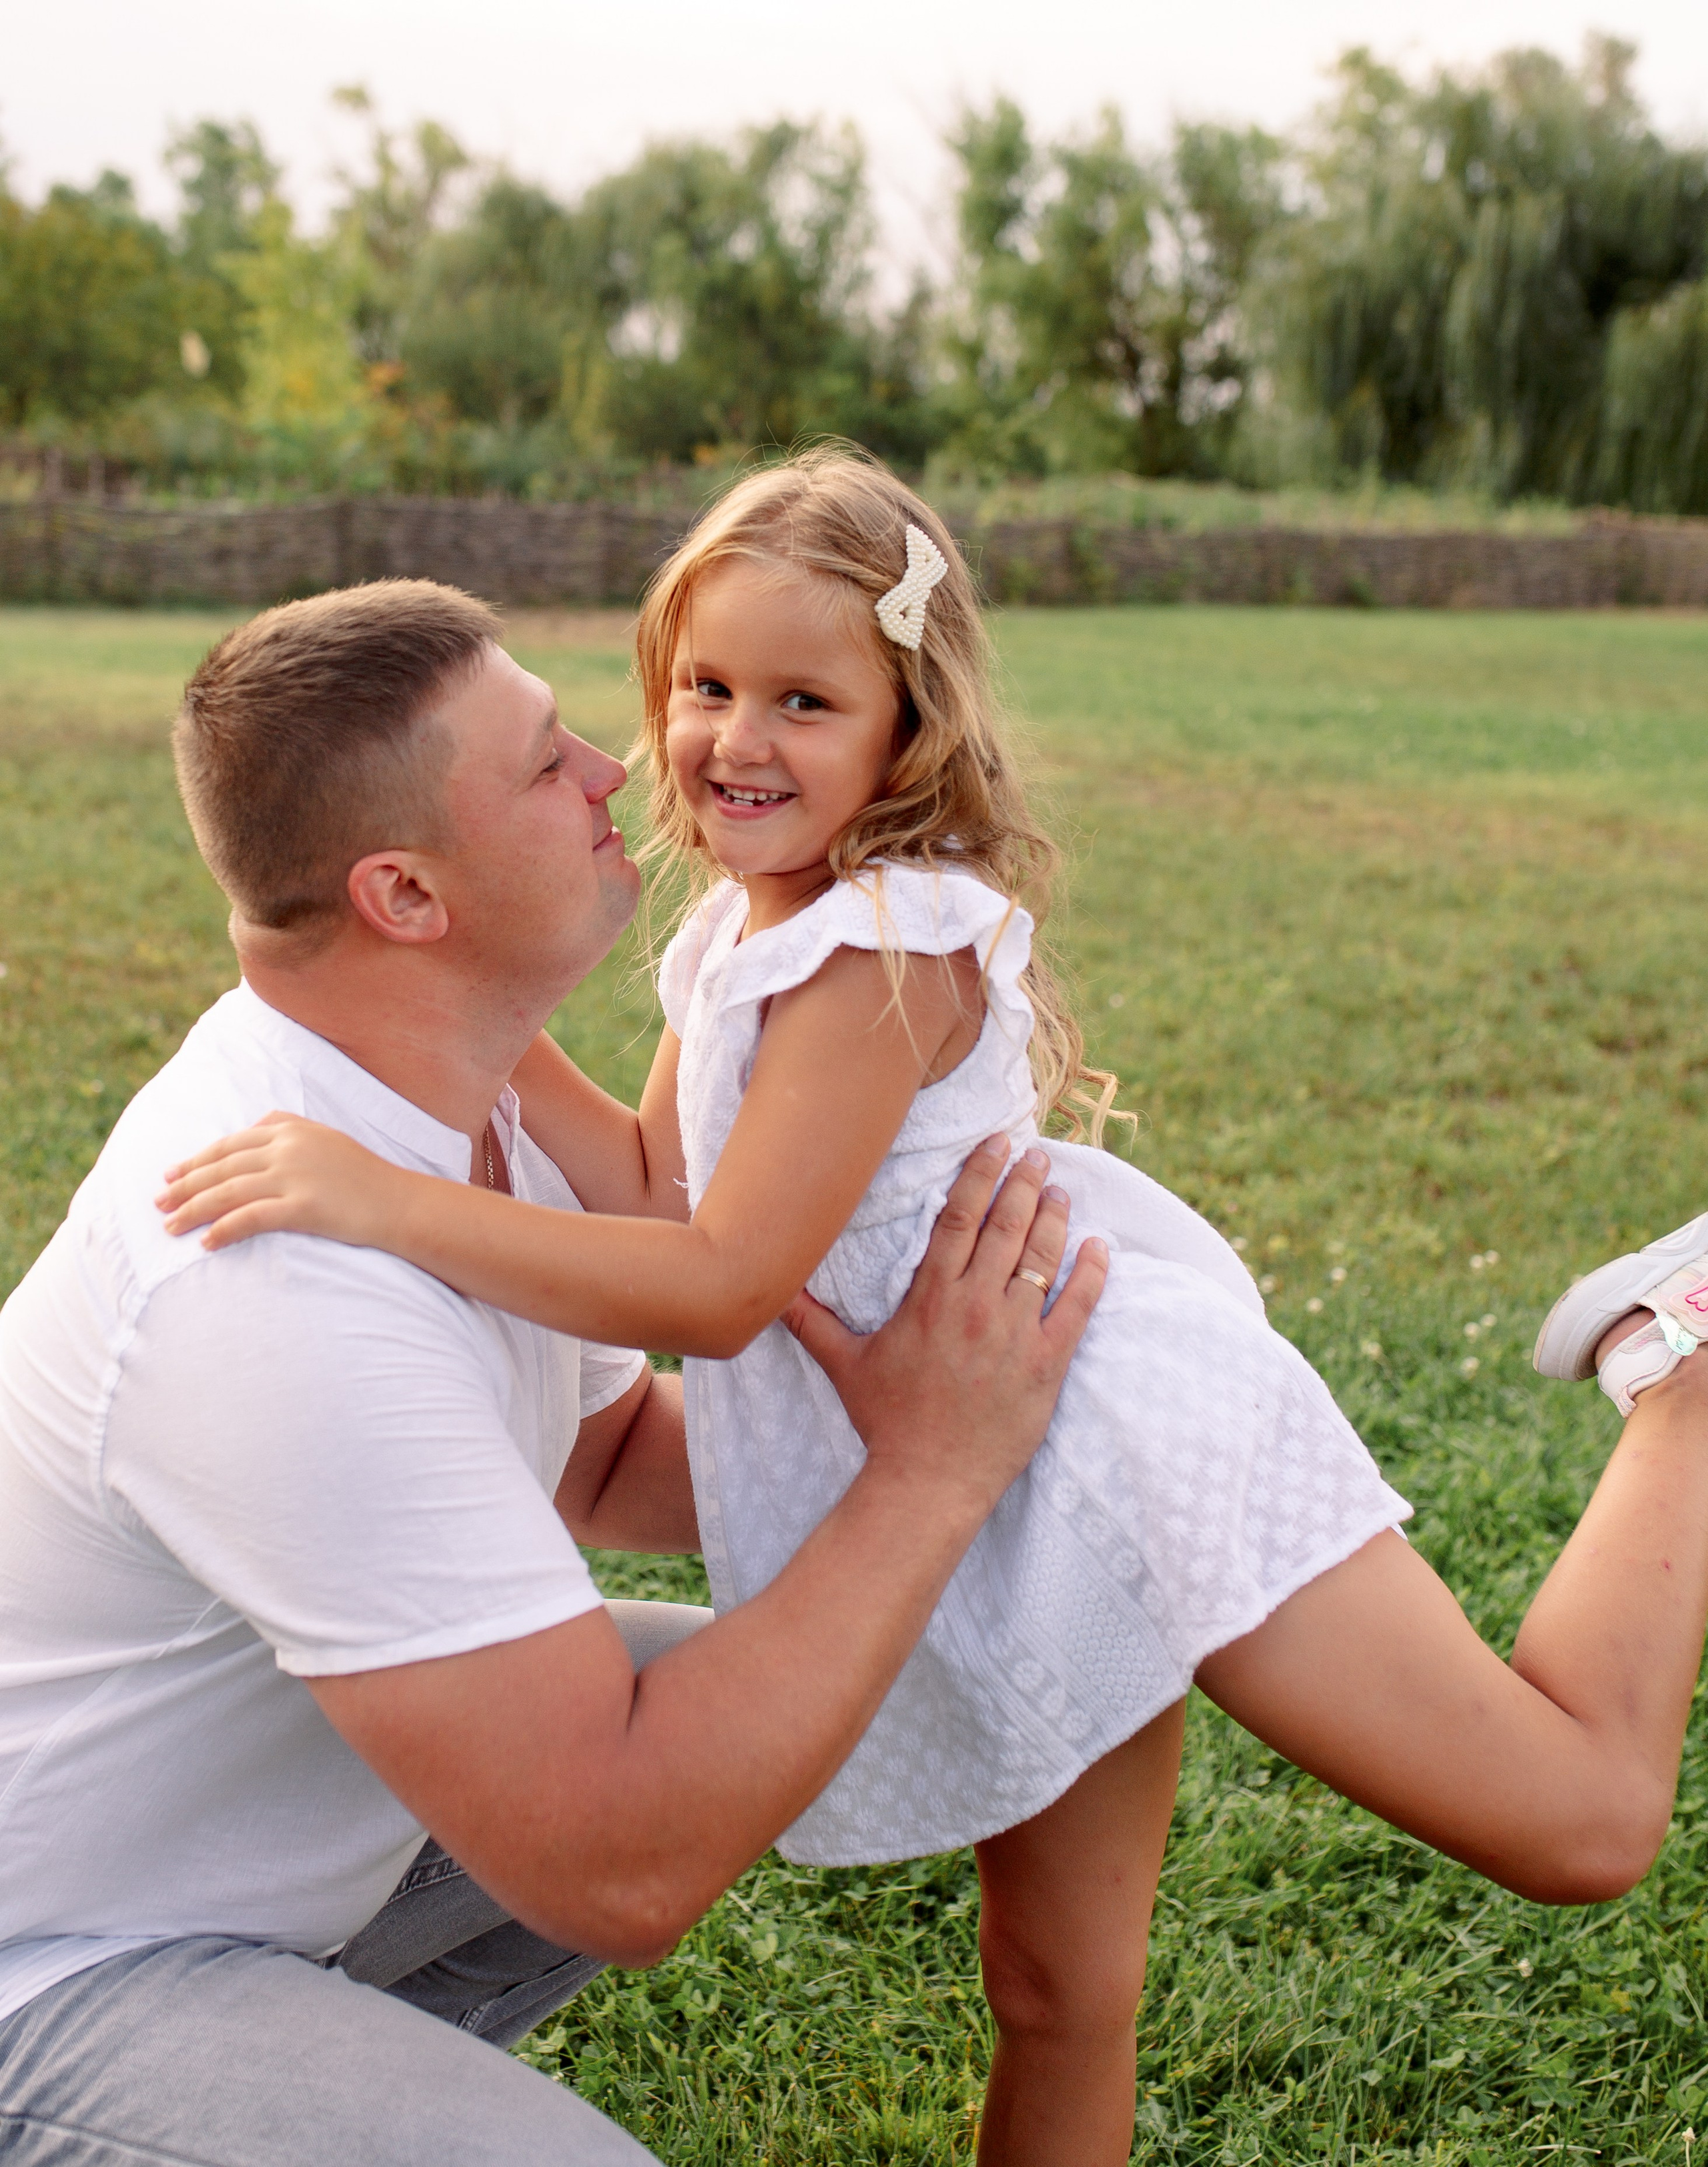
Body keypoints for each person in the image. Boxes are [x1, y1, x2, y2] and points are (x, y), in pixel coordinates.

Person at [162, 449, 1708, 2167]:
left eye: (804, 700)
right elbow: (662, 1189)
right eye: (706, 687)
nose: (735, 739)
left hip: (1104, 1429)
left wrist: (391, 1200)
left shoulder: (890, 941)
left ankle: (1683, 1376)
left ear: (907, 729)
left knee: (1577, 1822)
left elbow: (725, 1285)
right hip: (972, 1459)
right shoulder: (746, 928)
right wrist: (423, 970)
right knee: (1053, 1984)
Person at [0, 576, 1112, 2167]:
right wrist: (929, 1477)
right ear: (402, 895)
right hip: (50, 1964)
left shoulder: (446, 1096)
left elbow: (589, 1465)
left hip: (221, 1862)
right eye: (540, 762)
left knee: (840, 1683)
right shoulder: (271, 1281)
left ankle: (300, 2079)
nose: (613, 768)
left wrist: (926, 1430)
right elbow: (618, 1866)